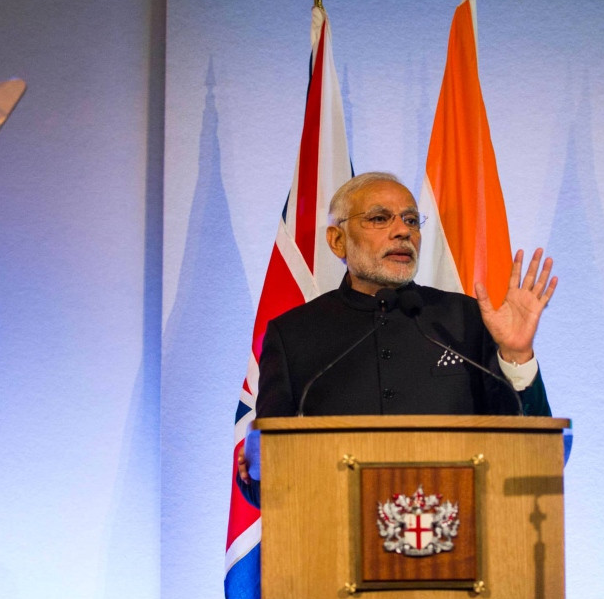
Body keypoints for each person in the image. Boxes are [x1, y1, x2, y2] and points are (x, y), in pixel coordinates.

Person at [237, 171, 557, 499]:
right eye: (379, 218)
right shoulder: (292, 335)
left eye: (411, 220)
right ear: (337, 240)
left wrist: (517, 355)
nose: (403, 231)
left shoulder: (467, 318)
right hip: (334, 539)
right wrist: (257, 475)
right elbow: (270, 478)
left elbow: (530, 453)